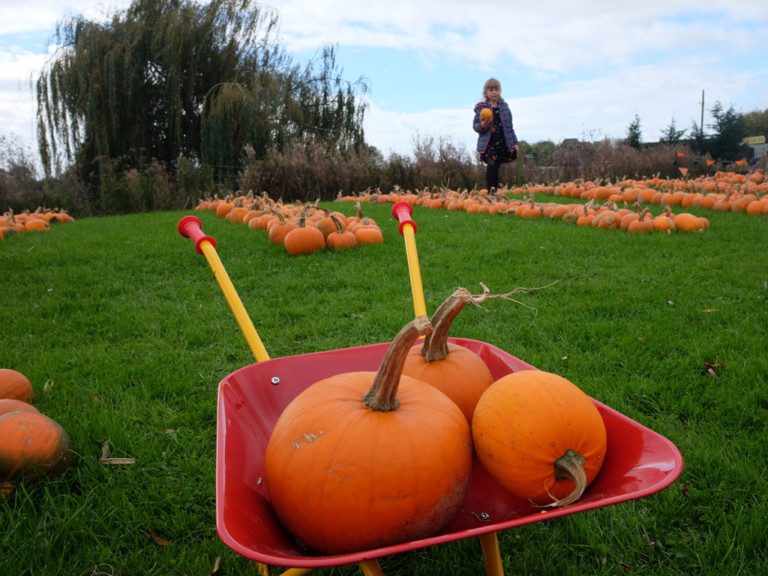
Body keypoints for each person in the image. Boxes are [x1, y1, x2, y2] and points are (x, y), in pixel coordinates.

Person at [473, 78, 519, 192]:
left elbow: (510, 127)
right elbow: (475, 126)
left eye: (496, 89)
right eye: (491, 90)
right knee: (491, 164)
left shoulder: (504, 107)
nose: (494, 92)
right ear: (486, 92)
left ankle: (494, 191)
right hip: (488, 143)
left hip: (502, 142)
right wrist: (483, 125)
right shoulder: (482, 108)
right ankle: (490, 192)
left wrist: (514, 143)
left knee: (496, 167)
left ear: (500, 91)